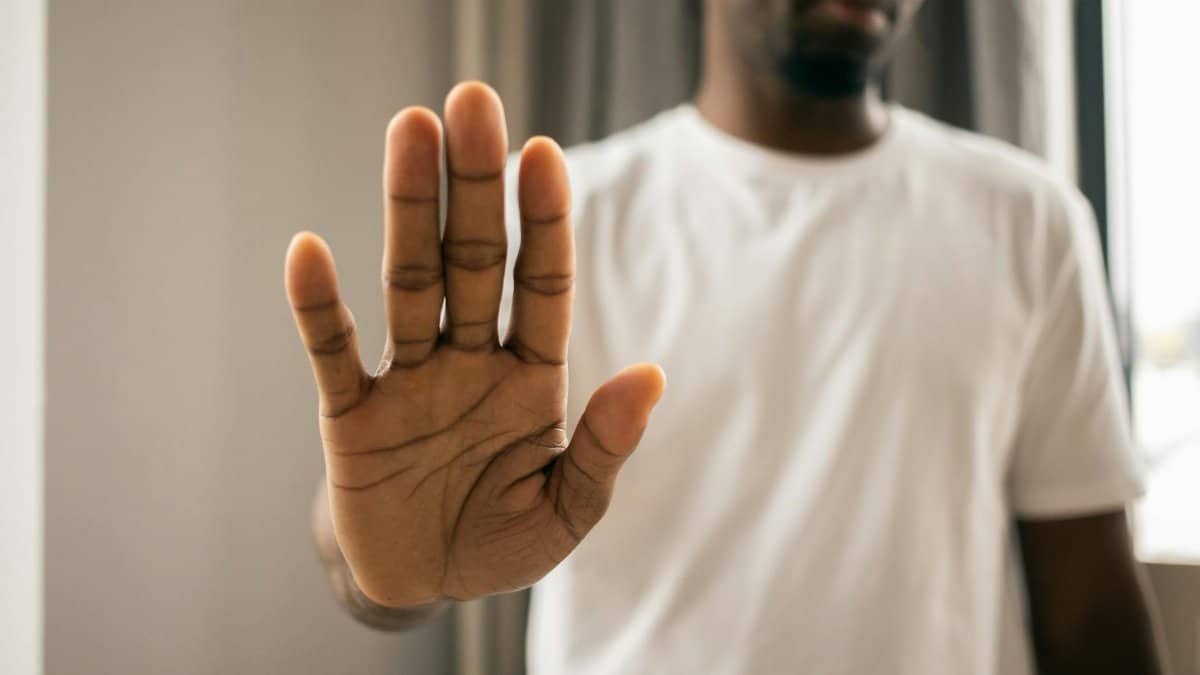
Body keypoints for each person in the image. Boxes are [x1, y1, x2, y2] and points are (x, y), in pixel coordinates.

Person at [285, 0, 1168, 672]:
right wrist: (385, 565)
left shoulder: (1029, 221)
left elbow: (1091, 619)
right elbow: (380, 538)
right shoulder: (550, 219)